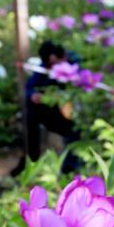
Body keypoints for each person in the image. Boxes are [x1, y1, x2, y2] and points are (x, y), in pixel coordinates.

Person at [14, 41, 80, 176]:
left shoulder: (76, 63)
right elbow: (30, 86)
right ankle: (31, 160)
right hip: (53, 110)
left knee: (75, 131)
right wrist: (33, 95)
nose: (51, 67)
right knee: (31, 110)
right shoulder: (45, 67)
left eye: (54, 63)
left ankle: (70, 168)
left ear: (63, 56)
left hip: (74, 110)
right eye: (49, 64)